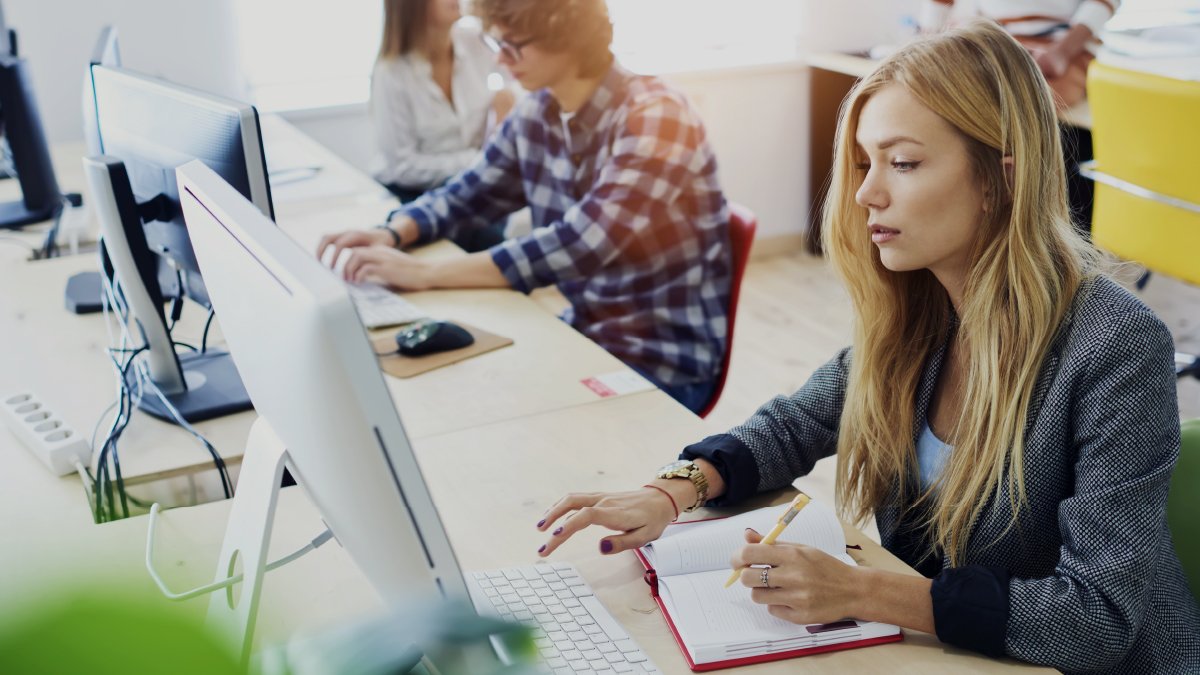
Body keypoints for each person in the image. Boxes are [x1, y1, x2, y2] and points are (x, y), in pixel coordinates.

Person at [536, 21, 1200, 673]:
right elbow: (795, 423)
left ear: (1001, 179)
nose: (864, 193)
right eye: (864, 163)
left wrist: (864, 590)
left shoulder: (1115, 346)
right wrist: (672, 489)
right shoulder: (925, 310)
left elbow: (1098, 619)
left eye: (903, 163)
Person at [320, 0, 733, 414]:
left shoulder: (658, 116)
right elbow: (471, 191)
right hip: (585, 333)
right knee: (452, 400)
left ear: (568, 37)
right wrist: (393, 232)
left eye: (513, 46)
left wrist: (424, 273)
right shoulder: (539, 110)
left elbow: (580, 244)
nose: (500, 59)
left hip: (660, 360)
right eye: (495, 42)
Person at [371, 0, 515, 251]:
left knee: (491, 236)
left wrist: (504, 104)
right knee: (481, 241)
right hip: (413, 191)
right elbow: (403, 166)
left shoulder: (475, 39)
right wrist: (480, 160)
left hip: (472, 181)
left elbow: (524, 71)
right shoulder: (391, 72)